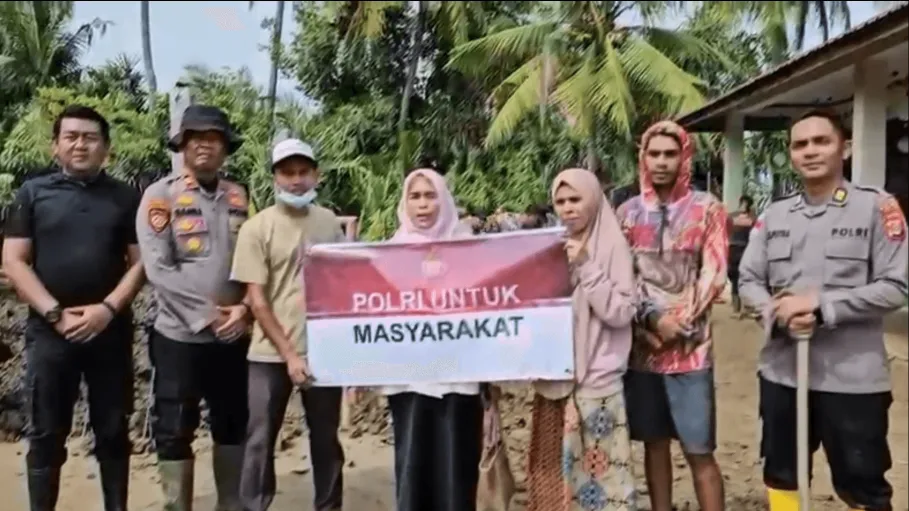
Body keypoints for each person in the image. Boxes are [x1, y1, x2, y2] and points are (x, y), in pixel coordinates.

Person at [738, 109, 908, 511]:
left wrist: (821, 307)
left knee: (861, 483)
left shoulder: (876, 208)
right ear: (790, 155)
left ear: (844, 148)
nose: (810, 151)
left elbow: (896, 286)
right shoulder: (775, 214)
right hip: (782, 373)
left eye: (822, 141)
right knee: (781, 474)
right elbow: (748, 280)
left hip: (851, 378)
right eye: (800, 144)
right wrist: (775, 312)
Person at [2, 105, 145, 511]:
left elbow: (141, 263)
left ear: (107, 149)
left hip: (110, 331)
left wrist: (108, 308)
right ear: (56, 146)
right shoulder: (33, 193)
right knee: (46, 431)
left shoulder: (125, 197)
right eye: (71, 136)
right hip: (50, 333)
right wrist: (53, 313)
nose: (80, 144)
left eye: (90, 137)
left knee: (113, 430)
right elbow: (14, 261)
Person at [136, 105, 252, 511]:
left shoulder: (239, 195)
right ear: (183, 145)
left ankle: (231, 503)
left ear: (225, 147)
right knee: (173, 427)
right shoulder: (160, 195)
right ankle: (176, 505)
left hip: (234, 336)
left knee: (233, 422)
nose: (205, 143)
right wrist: (208, 315)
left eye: (214, 137)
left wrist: (244, 310)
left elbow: (253, 263)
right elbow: (158, 268)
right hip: (178, 337)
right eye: (196, 136)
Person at [616, 120, 728, 511]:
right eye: (653, 154)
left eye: (670, 153)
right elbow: (623, 277)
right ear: (642, 158)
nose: (661, 162)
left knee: (699, 449)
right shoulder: (627, 214)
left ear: (685, 156)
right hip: (644, 348)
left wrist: (679, 323)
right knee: (654, 443)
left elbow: (713, 273)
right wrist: (651, 323)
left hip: (691, 349)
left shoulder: (707, 209)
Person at [233, 139, 346, 511]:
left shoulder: (329, 222)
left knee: (326, 439)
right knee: (260, 439)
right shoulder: (256, 228)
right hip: (269, 354)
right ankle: (255, 505)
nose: (296, 181)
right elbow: (257, 299)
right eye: (287, 173)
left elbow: (343, 284)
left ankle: (328, 505)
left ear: (316, 175)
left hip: (324, 353)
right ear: (275, 178)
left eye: (303, 172)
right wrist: (290, 354)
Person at [525, 168, 638, 511]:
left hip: (596, 383)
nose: (568, 208)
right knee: (555, 473)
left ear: (592, 198)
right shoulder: (551, 247)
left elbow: (621, 312)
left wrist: (587, 267)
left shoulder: (612, 245)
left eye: (575, 199)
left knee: (599, 479)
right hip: (555, 380)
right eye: (560, 201)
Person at [382, 167, 484, 511]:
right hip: (409, 378)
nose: (423, 205)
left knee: (456, 466)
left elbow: (491, 305)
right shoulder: (387, 255)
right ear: (404, 203)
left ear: (444, 199)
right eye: (415, 196)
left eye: (430, 196)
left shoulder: (471, 249)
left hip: (459, 377)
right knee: (413, 464)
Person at [727, 195, 756, 314]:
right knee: (733, 275)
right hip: (735, 248)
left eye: (746, 203)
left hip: (744, 249)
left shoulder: (753, 218)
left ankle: (738, 305)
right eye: (743, 203)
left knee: (738, 277)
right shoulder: (732, 216)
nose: (744, 206)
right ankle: (738, 302)